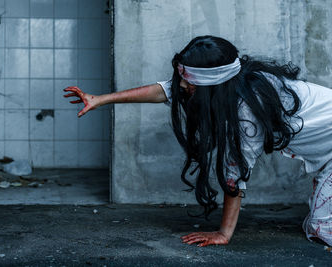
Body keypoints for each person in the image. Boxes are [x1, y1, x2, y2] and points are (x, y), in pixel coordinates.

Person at [63, 35, 332, 247]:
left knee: (320, 229)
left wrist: (224, 233)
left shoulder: (245, 112)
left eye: (188, 85)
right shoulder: (233, 81)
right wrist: (100, 99)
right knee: (318, 225)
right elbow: (164, 90)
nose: (181, 89)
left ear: (209, 83)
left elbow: (234, 176)